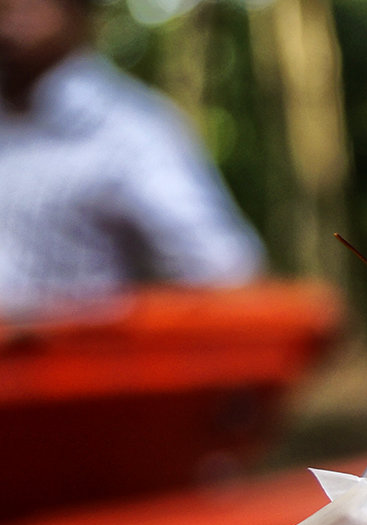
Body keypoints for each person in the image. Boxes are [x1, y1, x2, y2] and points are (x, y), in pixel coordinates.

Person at [0, 0, 265, 320]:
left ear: (79, 14)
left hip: (78, 361)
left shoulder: (132, 130)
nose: (8, 23)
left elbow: (226, 274)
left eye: (24, 7)